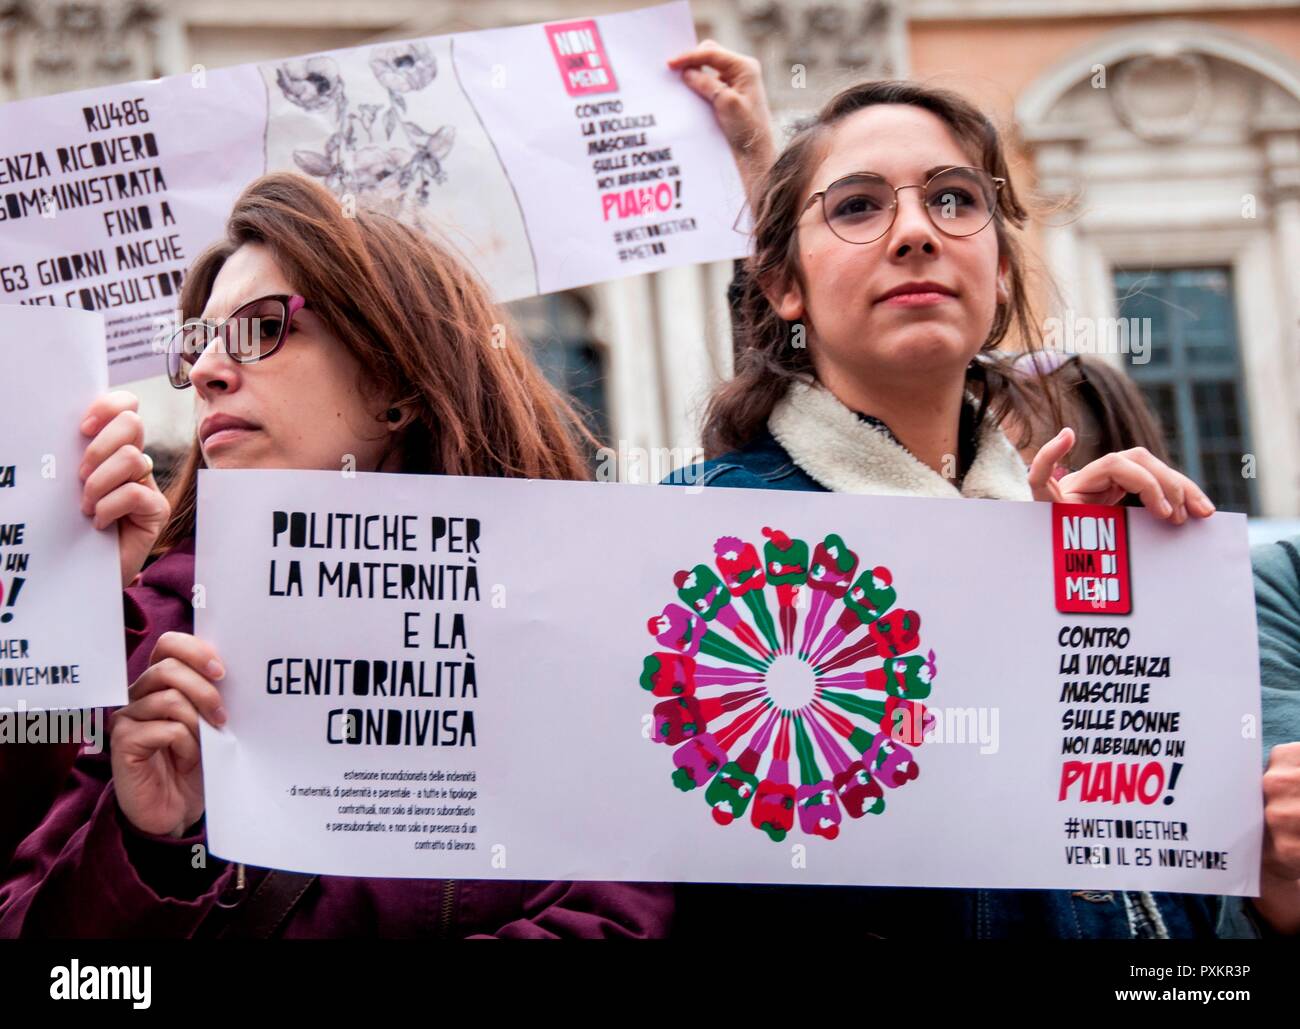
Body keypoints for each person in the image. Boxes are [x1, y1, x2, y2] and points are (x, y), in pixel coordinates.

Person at [664, 41, 1296, 936]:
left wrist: (1264, 898)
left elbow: (1175, 950)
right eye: (856, 207)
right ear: (781, 286)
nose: (916, 232)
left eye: (955, 200)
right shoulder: (695, 541)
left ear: (999, 269)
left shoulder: (1098, 560)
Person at [0, 172, 671, 938]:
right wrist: (148, 846)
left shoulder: (586, 621)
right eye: (197, 344)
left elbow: (617, 919)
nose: (208, 371)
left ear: (392, 377)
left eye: (258, 329)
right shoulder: (156, 629)